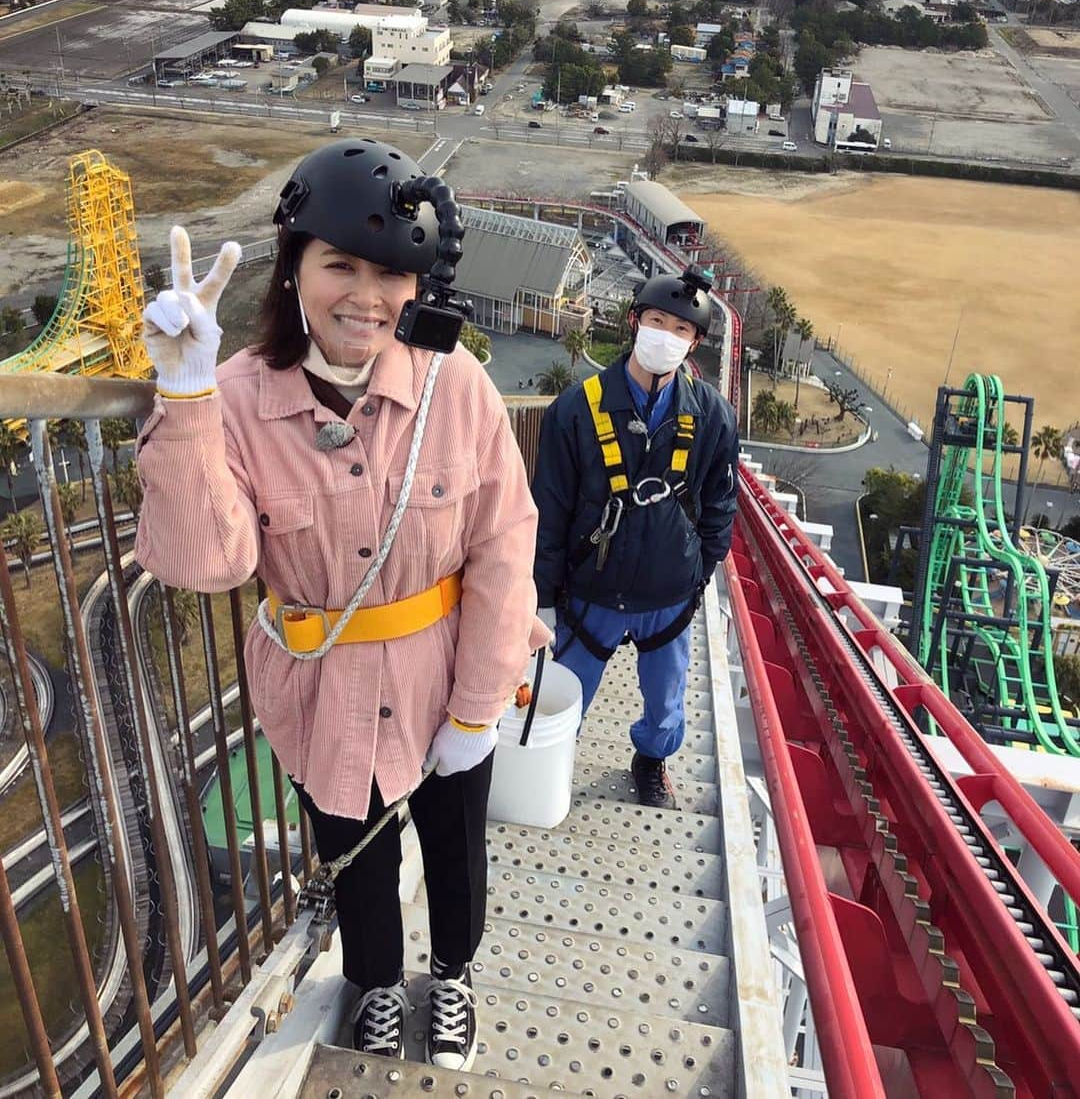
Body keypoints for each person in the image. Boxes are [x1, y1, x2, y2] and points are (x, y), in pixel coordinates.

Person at [134, 140, 547, 1069]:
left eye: (392, 273)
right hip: (321, 687)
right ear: (294, 269)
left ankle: (452, 977)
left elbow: (503, 543)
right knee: (353, 856)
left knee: (454, 845)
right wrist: (187, 392)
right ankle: (373, 989)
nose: (367, 296)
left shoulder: (459, 387)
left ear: (419, 285)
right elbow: (209, 561)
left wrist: (480, 706)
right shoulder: (236, 398)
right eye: (341, 266)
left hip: (446, 668)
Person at [531, 267, 740, 809]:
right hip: (588, 589)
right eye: (656, 321)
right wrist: (542, 596)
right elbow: (549, 508)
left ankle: (651, 760)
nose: (666, 337)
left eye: (681, 330)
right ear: (634, 322)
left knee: (666, 697)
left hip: (667, 592)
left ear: (694, 342)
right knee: (564, 692)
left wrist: (698, 575)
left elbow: (720, 503)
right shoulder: (575, 410)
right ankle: (548, 761)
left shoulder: (712, 417)